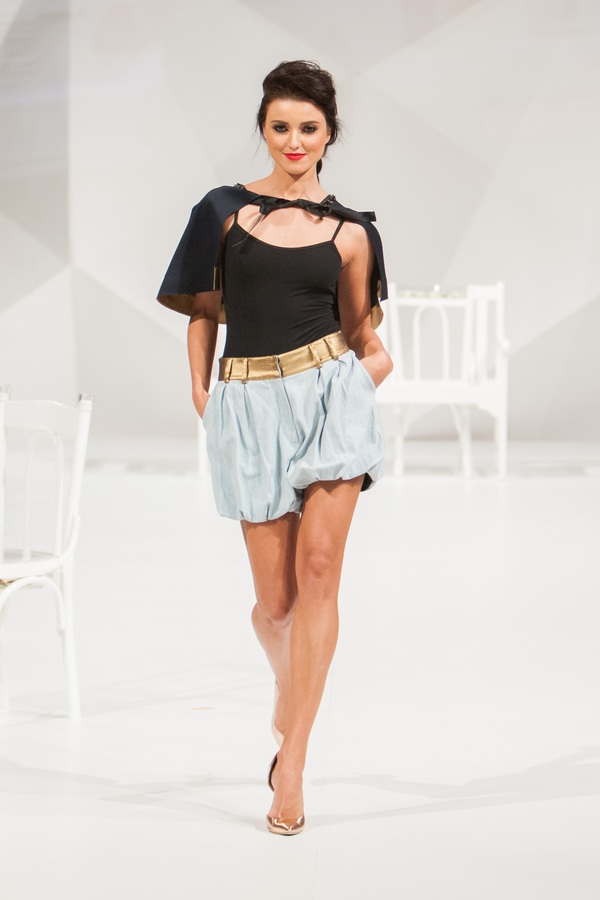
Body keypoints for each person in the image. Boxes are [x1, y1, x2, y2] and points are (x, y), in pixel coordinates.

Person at [157, 60, 393, 836]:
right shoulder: (222, 212)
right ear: (264, 129)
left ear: (329, 135)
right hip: (249, 406)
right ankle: (290, 694)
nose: (294, 140)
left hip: (329, 401)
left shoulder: (353, 232)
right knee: (276, 606)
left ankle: (291, 764)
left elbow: (362, 335)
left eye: (309, 128)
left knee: (319, 574)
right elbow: (204, 310)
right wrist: (203, 394)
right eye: (281, 126)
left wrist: (360, 382)